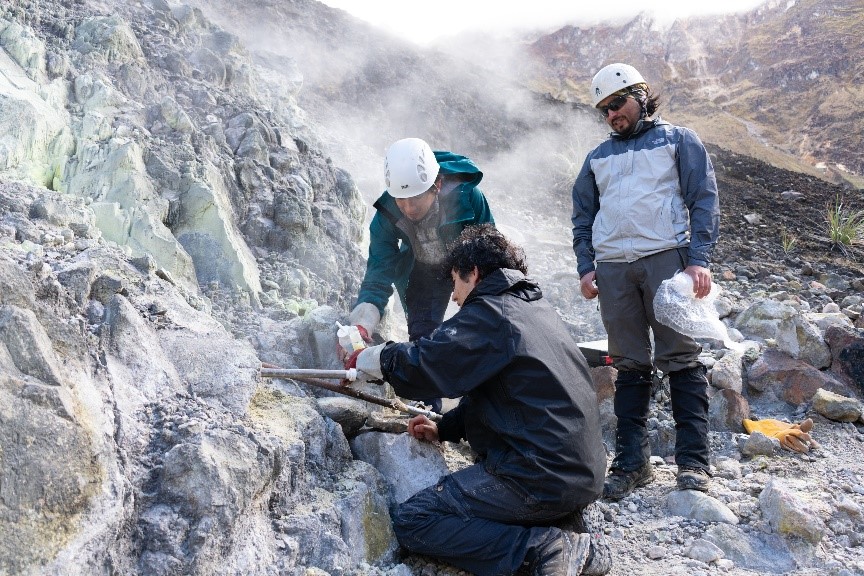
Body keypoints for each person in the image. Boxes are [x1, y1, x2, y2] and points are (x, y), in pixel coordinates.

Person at [344, 224, 610, 576]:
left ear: (474, 274)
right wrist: (445, 427)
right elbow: (502, 395)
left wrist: (377, 358)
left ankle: (544, 548)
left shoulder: (492, 313)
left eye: (455, 281)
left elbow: (430, 363)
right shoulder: (536, 310)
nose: (454, 296)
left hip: (539, 476)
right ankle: (573, 537)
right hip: (583, 475)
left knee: (416, 520)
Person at [570, 63, 720, 500]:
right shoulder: (597, 157)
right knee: (628, 363)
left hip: (666, 261)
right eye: (604, 110)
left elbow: (703, 199)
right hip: (613, 269)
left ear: (640, 94)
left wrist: (699, 260)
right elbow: (583, 215)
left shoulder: (678, 139)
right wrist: (586, 266)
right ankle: (633, 464)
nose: (612, 114)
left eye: (617, 103)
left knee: (681, 356)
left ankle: (694, 463)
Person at [344, 137, 495, 413]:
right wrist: (362, 325)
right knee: (423, 339)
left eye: (415, 199)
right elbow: (378, 275)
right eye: (401, 201)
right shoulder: (386, 217)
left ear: (436, 186)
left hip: (469, 267)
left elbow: (493, 252)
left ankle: (482, 404)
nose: (409, 209)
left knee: (482, 330)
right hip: (424, 273)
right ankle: (428, 408)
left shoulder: (467, 198)